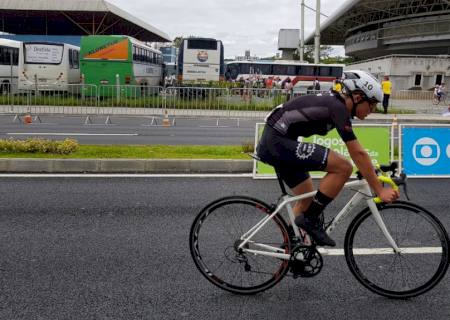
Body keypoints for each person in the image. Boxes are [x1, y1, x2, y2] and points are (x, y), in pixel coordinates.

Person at [257, 70, 399, 247]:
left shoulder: (336, 105)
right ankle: (309, 220)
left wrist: (374, 170)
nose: (373, 110)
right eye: (371, 104)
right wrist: (379, 189)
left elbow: (361, 154)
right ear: (357, 97)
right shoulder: (338, 108)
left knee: (308, 200)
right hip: (277, 142)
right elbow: (358, 154)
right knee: (343, 167)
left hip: (279, 141)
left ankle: (291, 248)